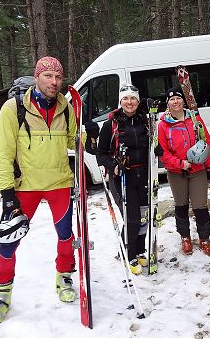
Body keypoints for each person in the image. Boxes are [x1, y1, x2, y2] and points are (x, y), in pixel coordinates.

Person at [0, 56, 77, 326]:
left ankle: (65, 275)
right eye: (48, 76)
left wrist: (91, 135)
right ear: (36, 77)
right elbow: (1, 154)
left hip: (60, 181)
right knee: (10, 239)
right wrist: (6, 194)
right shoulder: (13, 108)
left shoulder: (66, 109)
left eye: (58, 77)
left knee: (65, 234)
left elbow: (74, 139)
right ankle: (1, 292)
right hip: (25, 186)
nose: (54, 82)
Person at [85, 84, 149, 275]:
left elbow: (153, 143)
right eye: (126, 99)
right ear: (120, 102)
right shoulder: (110, 124)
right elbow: (100, 153)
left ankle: (139, 250)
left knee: (144, 217)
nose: (129, 102)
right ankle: (128, 253)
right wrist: (113, 165)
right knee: (133, 218)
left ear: (138, 101)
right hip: (122, 177)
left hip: (143, 175)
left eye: (133, 99)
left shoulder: (145, 121)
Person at [158, 86, 210, 256]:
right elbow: (163, 152)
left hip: (198, 169)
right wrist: (179, 163)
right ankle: (185, 237)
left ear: (183, 100)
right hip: (177, 172)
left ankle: (204, 238)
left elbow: (207, 142)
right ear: (167, 104)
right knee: (181, 205)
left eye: (178, 98)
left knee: (200, 206)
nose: (175, 101)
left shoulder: (195, 119)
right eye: (171, 99)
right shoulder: (163, 125)